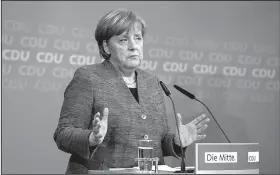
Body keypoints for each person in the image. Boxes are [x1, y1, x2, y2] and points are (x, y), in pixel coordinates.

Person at [53, 8, 210, 174]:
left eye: (138, 38)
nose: (133, 46)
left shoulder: (152, 82)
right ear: (106, 47)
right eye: (123, 40)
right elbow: (63, 134)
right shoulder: (89, 77)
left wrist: (176, 142)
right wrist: (92, 138)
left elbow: (156, 141)